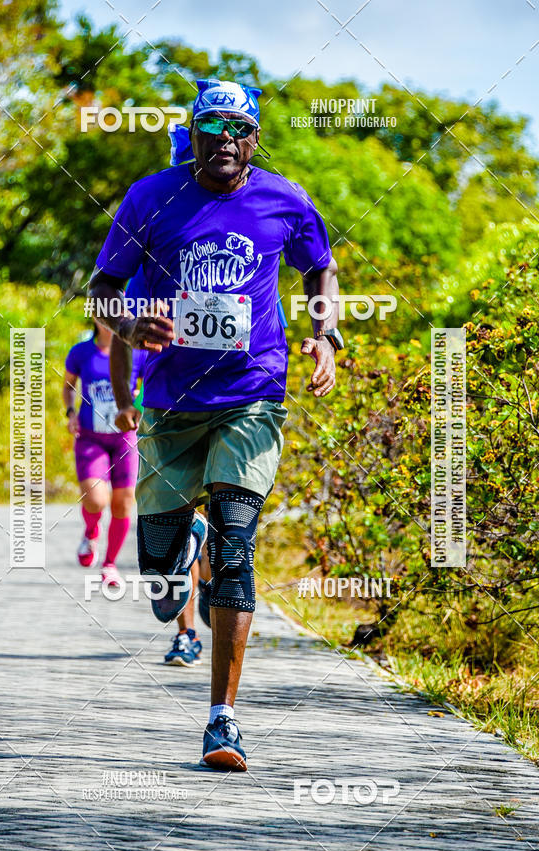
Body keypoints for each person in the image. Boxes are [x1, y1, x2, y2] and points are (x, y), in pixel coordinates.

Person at [89, 78, 342, 771]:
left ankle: (222, 721)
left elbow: (320, 268)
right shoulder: (151, 198)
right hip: (171, 403)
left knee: (236, 540)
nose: (226, 140)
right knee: (160, 576)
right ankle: (173, 550)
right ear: (192, 135)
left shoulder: (286, 199)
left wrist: (326, 334)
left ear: (255, 138)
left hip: (252, 393)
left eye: (239, 129)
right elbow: (100, 292)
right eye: (212, 128)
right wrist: (130, 323)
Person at [110, 270, 204, 667]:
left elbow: (270, 330)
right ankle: (186, 634)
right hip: (169, 414)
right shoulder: (148, 274)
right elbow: (121, 338)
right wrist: (123, 403)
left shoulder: (245, 268)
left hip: (236, 408)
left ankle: (219, 594)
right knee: (178, 532)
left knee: (224, 526)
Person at [63, 321, 146, 588]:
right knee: (96, 501)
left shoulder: (137, 351)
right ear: (97, 318)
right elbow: (68, 386)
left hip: (125, 438)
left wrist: (138, 403)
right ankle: (91, 531)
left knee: (123, 504)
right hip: (91, 438)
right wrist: (71, 413)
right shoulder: (81, 352)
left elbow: (149, 384)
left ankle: (110, 564)